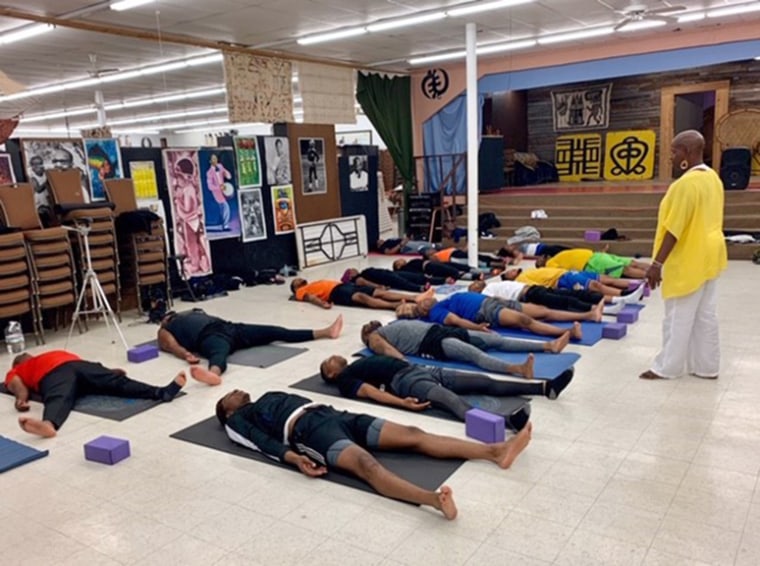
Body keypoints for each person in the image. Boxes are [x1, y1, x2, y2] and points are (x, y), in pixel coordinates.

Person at [216, 389, 533, 520]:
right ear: (227, 411)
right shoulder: (238, 421)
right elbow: (262, 443)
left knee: (413, 435)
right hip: (309, 433)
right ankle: (433, 499)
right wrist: (294, 458)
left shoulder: (265, 395)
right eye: (229, 395)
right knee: (366, 465)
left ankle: (495, 451)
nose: (236, 391)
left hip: (333, 414)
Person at [640, 130, 727, 380]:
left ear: (687, 152)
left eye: (675, 151)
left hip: (690, 256)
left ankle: (667, 367)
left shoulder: (686, 184)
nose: (672, 157)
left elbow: (674, 229)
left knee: (678, 316)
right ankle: (707, 367)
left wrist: (656, 264)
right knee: (705, 315)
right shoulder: (713, 178)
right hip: (710, 255)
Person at [320, 354, 574, 429]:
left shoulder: (355, 363)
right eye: (328, 362)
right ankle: (507, 422)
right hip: (406, 382)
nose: (333, 357)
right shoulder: (345, 378)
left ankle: (544, 387)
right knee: (452, 401)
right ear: (330, 373)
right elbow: (370, 393)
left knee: (483, 381)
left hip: (422, 369)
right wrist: (402, 403)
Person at [5, 350, 186, 438]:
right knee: (117, 384)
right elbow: (89, 366)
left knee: (60, 395)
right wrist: (109, 372)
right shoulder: (56, 352)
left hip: (55, 373)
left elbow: (17, 385)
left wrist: (21, 399)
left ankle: (49, 423)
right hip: (80, 367)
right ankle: (161, 392)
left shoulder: (19, 369)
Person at [158, 308, 343, 384]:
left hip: (231, 327)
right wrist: (185, 355)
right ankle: (213, 375)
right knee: (218, 353)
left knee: (275, 331)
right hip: (208, 336)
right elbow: (170, 345)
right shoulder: (166, 328)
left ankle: (326, 332)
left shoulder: (190, 312)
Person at [361, 319, 571, 374]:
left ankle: (549, 346)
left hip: (441, 331)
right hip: (434, 343)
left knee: (496, 340)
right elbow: (389, 352)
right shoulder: (375, 337)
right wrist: (405, 364)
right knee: (475, 355)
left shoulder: (389, 326)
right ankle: (517, 369)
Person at [396, 293, 585, 340]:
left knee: (543, 310)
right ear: (422, 313)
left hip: (493, 301)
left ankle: (588, 314)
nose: (423, 303)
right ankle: (568, 332)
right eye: (420, 306)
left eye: (419, 302)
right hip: (486, 310)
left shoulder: (440, 302)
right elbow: (455, 321)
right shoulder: (436, 313)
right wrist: (477, 328)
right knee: (525, 321)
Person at [468, 278, 625, 315]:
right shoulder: (484, 293)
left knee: (572, 293)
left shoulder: (492, 283)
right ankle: (602, 310)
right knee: (565, 301)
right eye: (472, 286)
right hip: (527, 295)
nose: (475, 284)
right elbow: (495, 301)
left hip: (533, 288)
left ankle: (616, 299)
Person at [503, 267, 646, 301]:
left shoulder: (526, 270)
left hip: (568, 273)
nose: (513, 270)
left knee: (606, 279)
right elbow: (536, 288)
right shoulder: (519, 280)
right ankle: (623, 295)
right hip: (563, 280)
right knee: (596, 287)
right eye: (509, 272)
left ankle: (632, 285)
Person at [290, 277, 434, 311]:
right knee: (362, 298)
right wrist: (322, 303)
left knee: (378, 292)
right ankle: (395, 305)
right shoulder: (301, 291)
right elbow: (310, 298)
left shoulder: (312, 283)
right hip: (336, 292)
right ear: (295, 287)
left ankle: (414, 297)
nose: (299, 279)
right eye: (296, 281)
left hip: (343, 286)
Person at [537, 248, 651, 279]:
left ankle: (654, 270)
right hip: (592, 262)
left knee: (630, 264)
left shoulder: (556, 257)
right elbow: (561, 273)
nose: (539, 258)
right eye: (538, 260)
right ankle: (653, 272)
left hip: (594, 258)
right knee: (626, 268)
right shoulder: (550, 264)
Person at [341, 267, 452, 293]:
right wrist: (379, 287)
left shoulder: (363, 273)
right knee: (404, 283)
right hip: (385, 277)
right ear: (350, 276)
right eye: (351, 271)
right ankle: (420, 288)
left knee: (414, 276)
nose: (353, 269)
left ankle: (443, 280)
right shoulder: (358, 278)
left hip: (388, 274)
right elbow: (365, 283)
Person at [392, 257, 484, 281]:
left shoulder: (410, 263)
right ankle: (474, 276)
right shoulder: (406, 268)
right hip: (429, 267)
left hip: (431, 264)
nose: (400, 260)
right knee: (450, 270)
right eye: (398, 261)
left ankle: (475, 271)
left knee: (453, 265)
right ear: (398, 266)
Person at [205, 153, 232, 230]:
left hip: (224, 190)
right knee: (225, 206)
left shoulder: (220, 166)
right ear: (210, 161)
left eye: (216, 158)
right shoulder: (209, 172)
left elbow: (228, 176)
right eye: (213, 159)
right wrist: (219, 187)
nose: (215, 160)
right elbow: (210, 186)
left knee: (222, 208)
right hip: (217, 192)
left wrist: (225, 173)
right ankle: (225, 225)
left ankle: (222, 224)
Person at [423, 246, 505, 270]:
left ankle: (498, 260)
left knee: (479, 256)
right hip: (453, 257)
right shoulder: (434, 256)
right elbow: (436, 262)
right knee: (477, 261)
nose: (431, 249)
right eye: (429, 251)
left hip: (455, 253)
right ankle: (498, 264)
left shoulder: (439, 251)